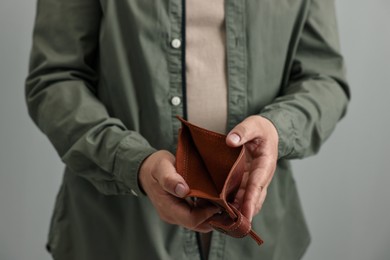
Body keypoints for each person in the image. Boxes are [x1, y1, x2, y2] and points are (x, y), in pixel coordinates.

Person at [25, 0, 350, 259]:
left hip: (263, 241)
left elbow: (324, 79)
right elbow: (55, 80)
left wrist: (277, 129)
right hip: (118, 237)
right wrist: (133, 164)